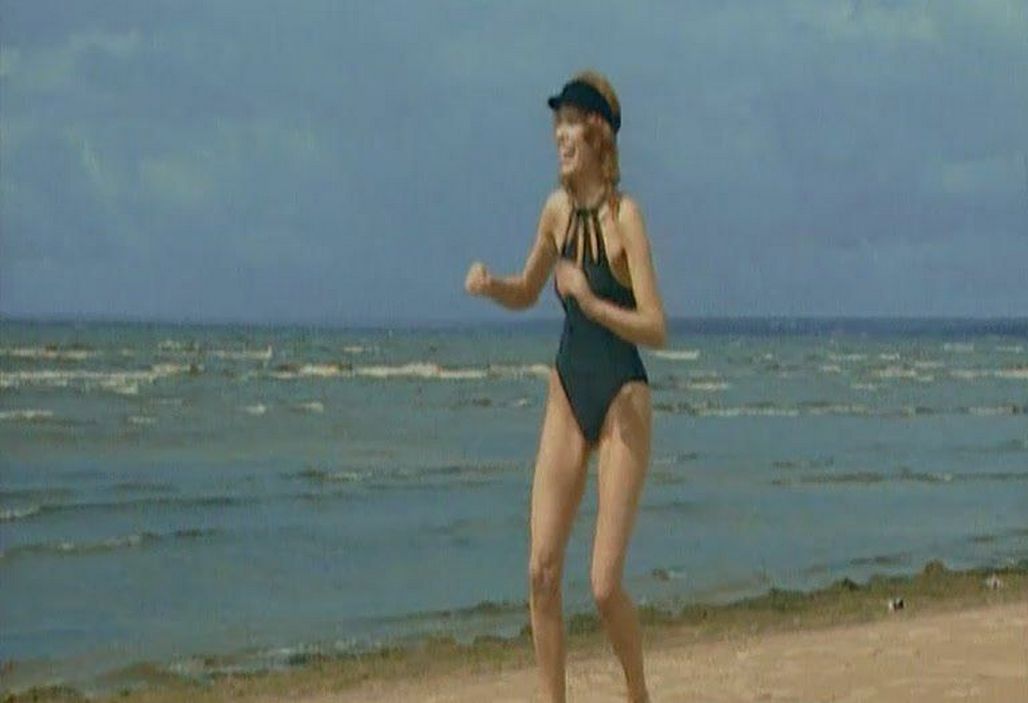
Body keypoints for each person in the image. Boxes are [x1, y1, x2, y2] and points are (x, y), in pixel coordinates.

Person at [464, 70, 666, 703]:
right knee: (542, 572)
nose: (559, 135)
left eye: (571, 122)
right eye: (556, 124)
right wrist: (493, 286)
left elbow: (655, 326)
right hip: (568, 388)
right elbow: (529, 289)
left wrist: (590, 300)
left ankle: (637, 694)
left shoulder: (627, 218)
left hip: (623, 395)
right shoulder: (555, 211)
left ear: (598, 133)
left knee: (603, 586)